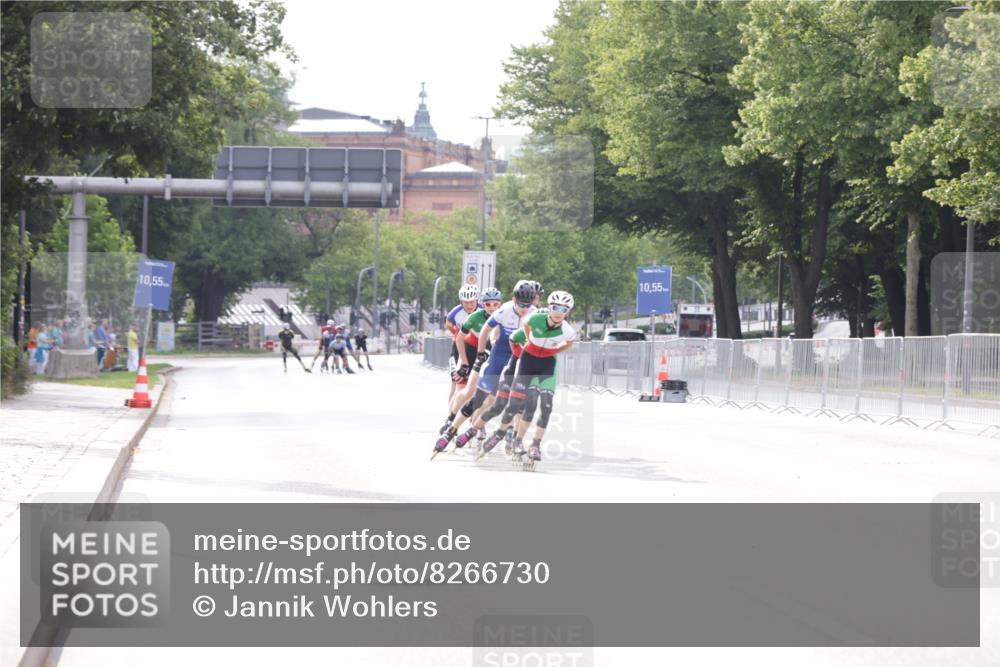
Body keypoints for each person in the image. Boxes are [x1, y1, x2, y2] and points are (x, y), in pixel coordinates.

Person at [479, 291, 578, 467]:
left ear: (567, 312)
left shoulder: (567, 330)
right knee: (520, 404)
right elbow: (523, 326)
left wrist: (555, 350)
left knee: (546, 406)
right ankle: (502, 434)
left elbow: (570, 341)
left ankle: (535, 445)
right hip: (528, 362)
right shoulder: (536, 318)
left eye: (563, 309)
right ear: (549, 307)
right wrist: (528, 341)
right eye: (555, 307)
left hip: (547, 366)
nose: (558, 312)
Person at [439, 280, 538, 452]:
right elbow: (483, 331)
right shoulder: (502, 311)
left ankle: (511, 435)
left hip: (517, 354)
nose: (524, 308)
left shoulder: (535, 314)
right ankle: (451, 425)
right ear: (514, 300)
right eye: (521, 304)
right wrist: (477, 355)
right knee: (473, 393)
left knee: (515, 396)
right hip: (491, 353)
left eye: (527, 304)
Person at [438, 284, 481, 433]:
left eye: (472, 302)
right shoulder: (454, 314)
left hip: (476, 349)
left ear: (477, 300)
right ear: (461, 301)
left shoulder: (483, 310)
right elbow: (451, 327)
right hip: (458, 348)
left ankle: (472, 419)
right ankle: (450, 418)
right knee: (456, 385)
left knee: (475, 387)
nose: (469, 305)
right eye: (466, 302)